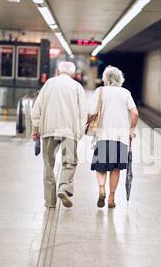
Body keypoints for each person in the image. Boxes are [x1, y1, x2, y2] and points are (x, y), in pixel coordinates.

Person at [31, 61, 87, 209]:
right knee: (70, 162)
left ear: (58, 71)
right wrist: (79, 133)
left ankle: (50, 201)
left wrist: (35, 128)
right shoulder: (77, 87)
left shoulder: (49, 84)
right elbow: (83, 113)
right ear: (73, 74)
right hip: (69, 130)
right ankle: (63, 188)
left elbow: (37, 108)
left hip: (49, 128)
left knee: (48, 163)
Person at [89, 66, 139, 208]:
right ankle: (111, 198)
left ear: (105, 78)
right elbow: (135, 113)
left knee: (101, 167)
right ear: (120, 79)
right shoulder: (125, 93)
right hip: (120, 138)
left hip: (103, 136)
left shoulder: (100, 91)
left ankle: (101, 189)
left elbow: (91, 112)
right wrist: (132, 129)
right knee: (115, 169)